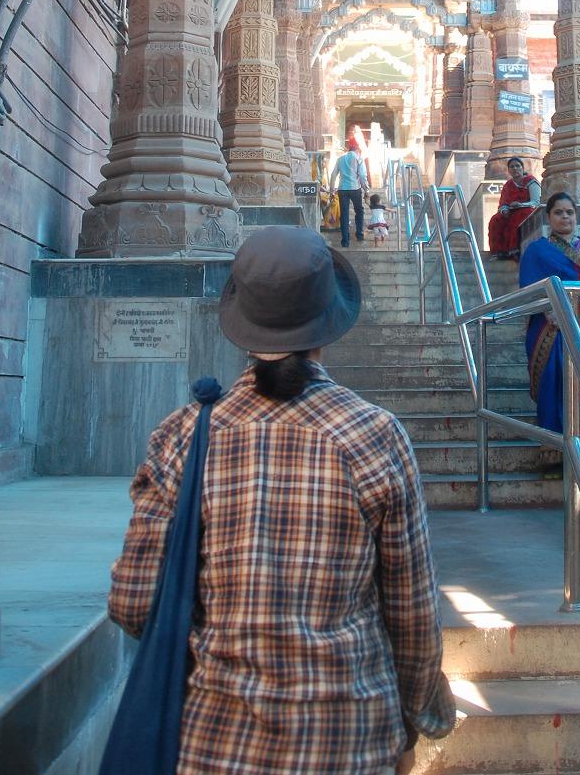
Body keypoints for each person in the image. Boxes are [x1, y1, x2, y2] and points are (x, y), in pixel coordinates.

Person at [108, 227, 456, 775]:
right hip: (351, 740)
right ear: (328, 321)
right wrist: (417, 719)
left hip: (213, 744)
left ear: (242, 322)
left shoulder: (182, 435)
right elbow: (412, 613)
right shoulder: (374, 435)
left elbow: (133, 603)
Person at [519, 193, 580, 475]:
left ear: (576, 216)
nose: (565, 217)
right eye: (558, 212)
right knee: (557, 380)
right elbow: (529, 289)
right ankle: (556, 451)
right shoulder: (537, 251)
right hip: (551, 325)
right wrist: (553, 311)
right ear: (548, 218)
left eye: (569, 212)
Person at [487, 156, 540, 259]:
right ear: (509, 170)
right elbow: (503, 204)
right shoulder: (508, 185)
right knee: (496, 219)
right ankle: (499, 251)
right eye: (512, 167)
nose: (515, 168)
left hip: (527, 209)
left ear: (522, 168)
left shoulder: (531, 181)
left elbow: (536, 201)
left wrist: (521, 205)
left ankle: (515, 250)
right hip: (510, 211)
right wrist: (504, 210)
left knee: (521, 214)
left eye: (517, 166)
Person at [330, 137, 370, 248]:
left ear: (349, 148)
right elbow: (362, 175)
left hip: (342, 189)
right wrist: (366, 190)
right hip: (355, 188)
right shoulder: (359, 158)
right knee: (359, 211)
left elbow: (333, 175)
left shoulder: (340, 159)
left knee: (344, 214)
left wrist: (331, 191)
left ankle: (345, 241)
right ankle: (359, 234)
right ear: (357, 148)